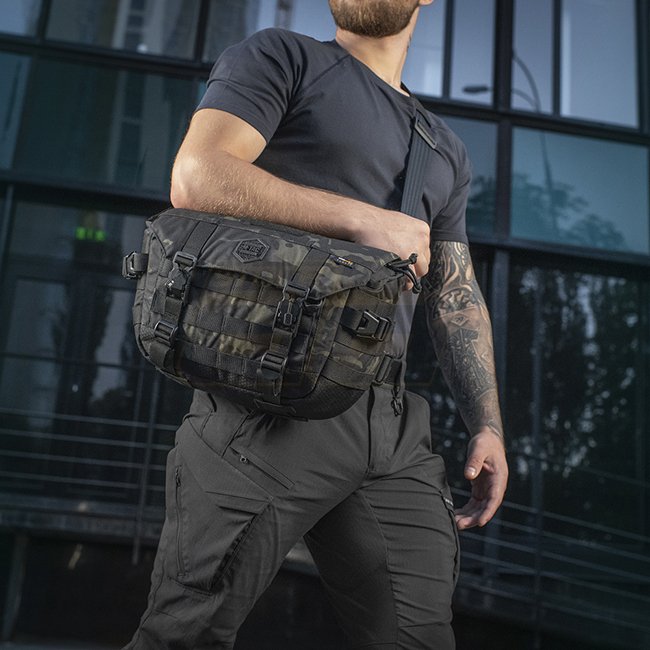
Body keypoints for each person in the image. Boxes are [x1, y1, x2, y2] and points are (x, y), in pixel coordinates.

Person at [124, 1, 508, 648]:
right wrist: (362, 219)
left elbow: (454, 292)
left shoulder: (444, 148)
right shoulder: (282, 56)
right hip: (268, 399)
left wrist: (488, 423)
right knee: (184, 634)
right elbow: (197, 174)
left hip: (390, 426)